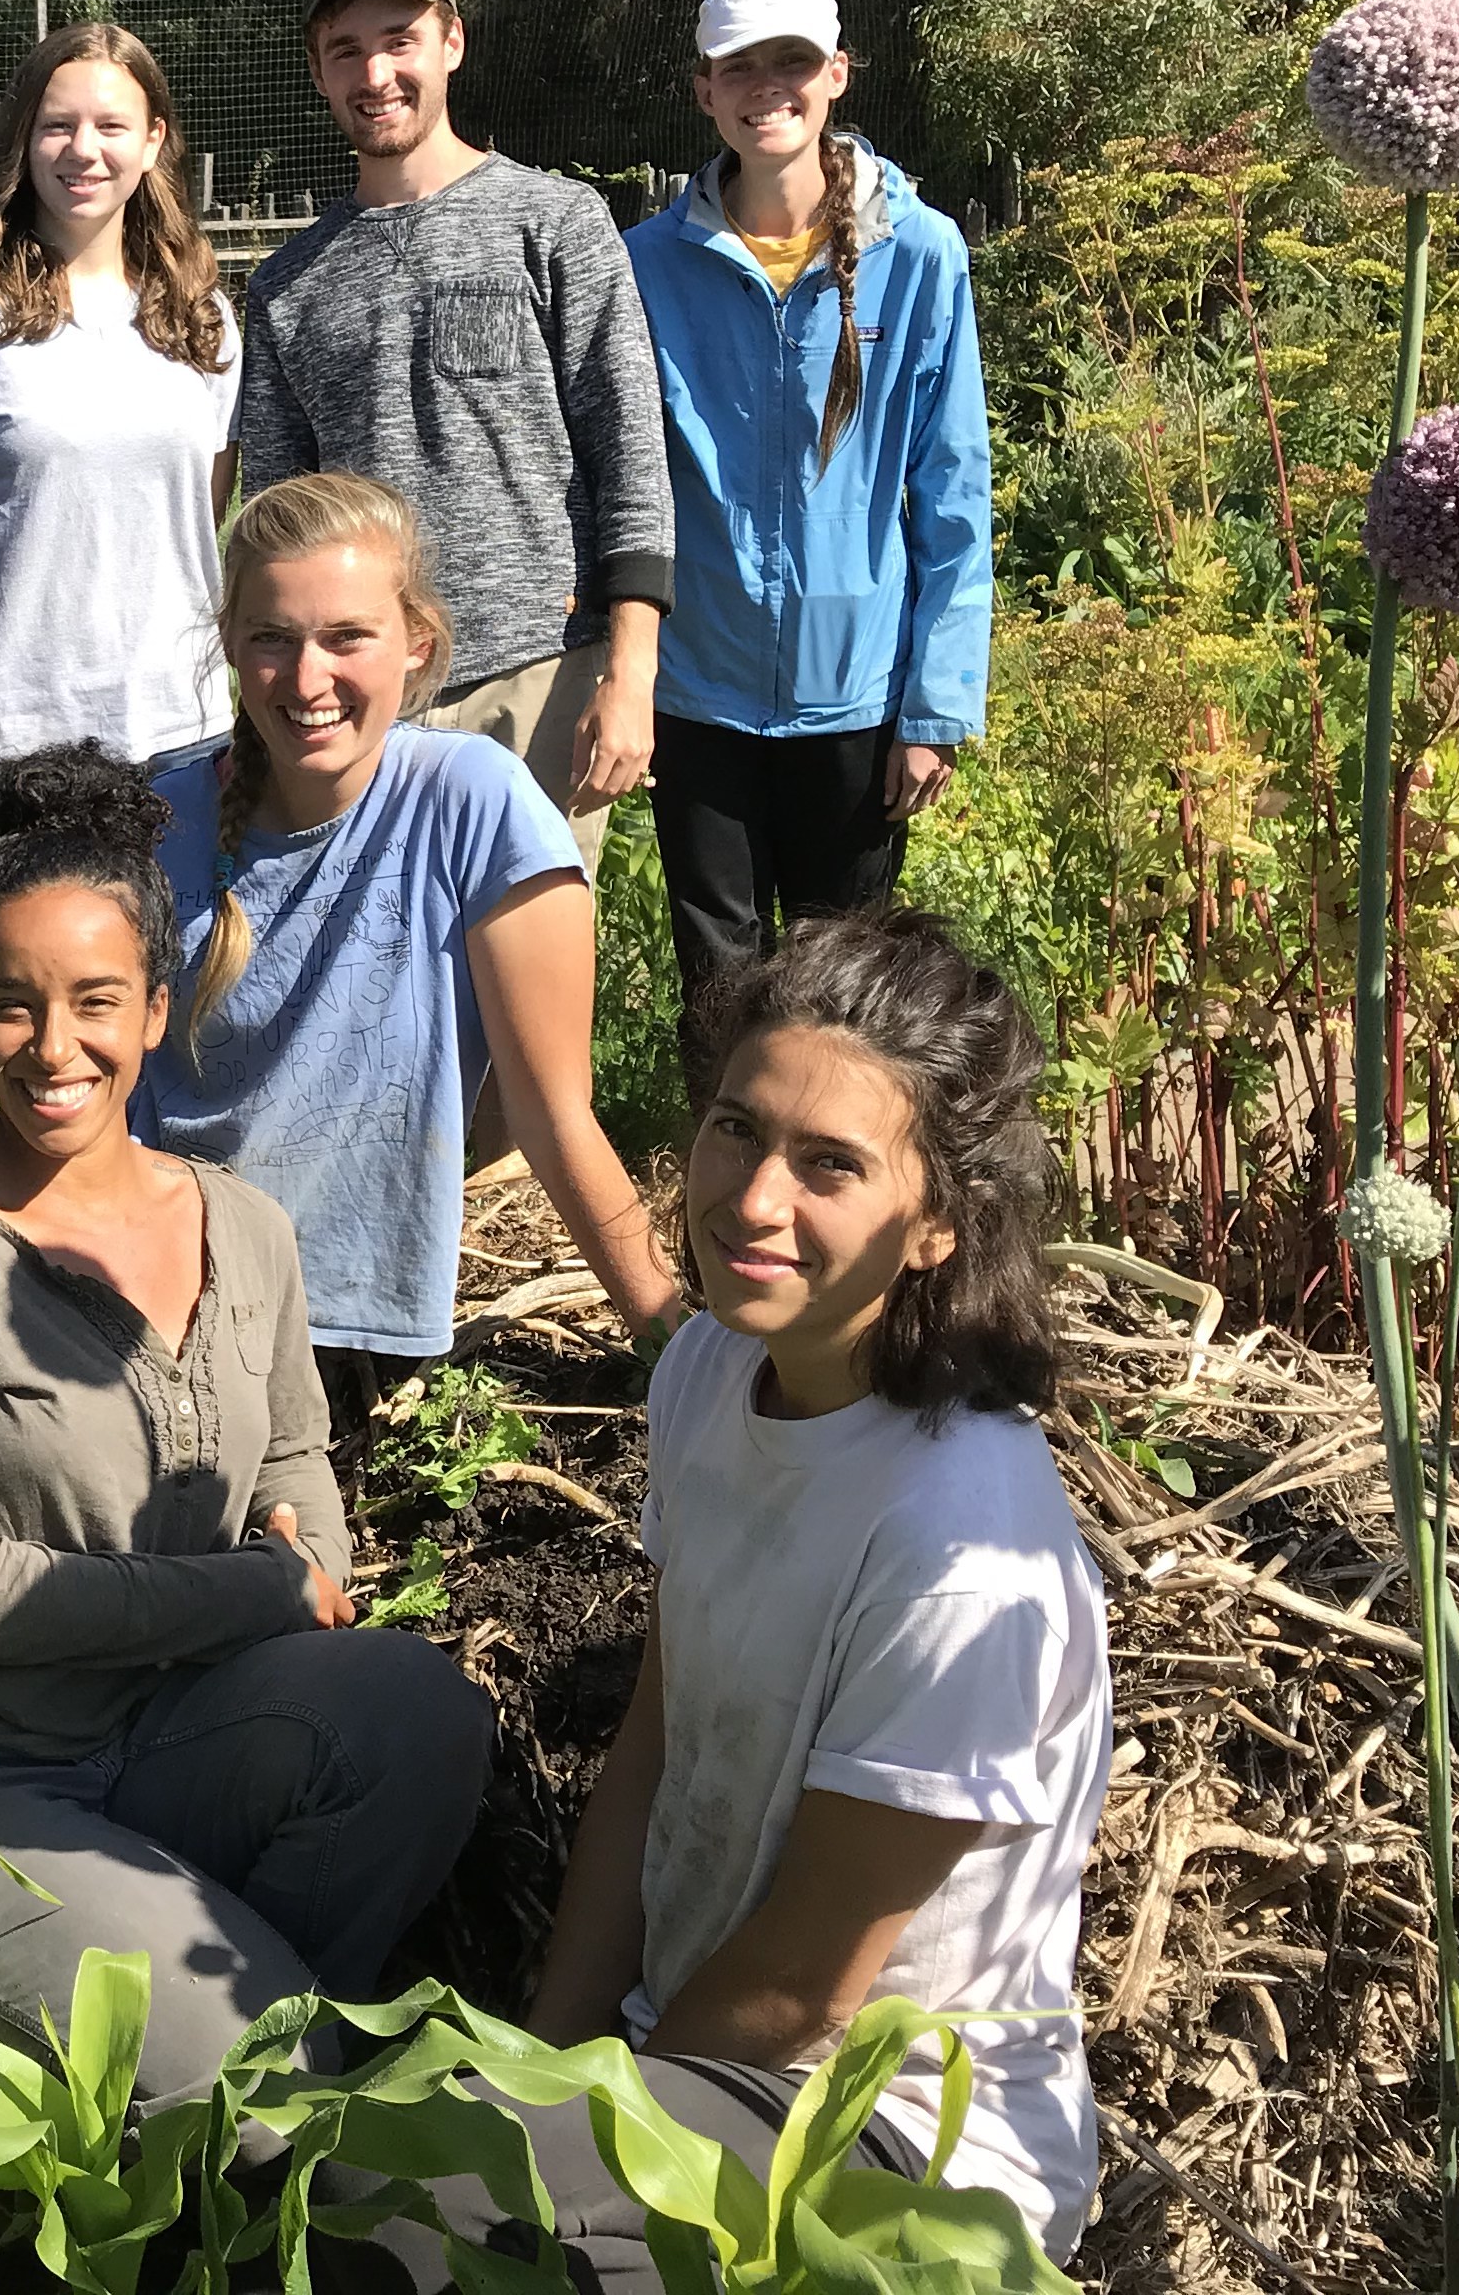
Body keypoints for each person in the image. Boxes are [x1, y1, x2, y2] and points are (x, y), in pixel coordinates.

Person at [0, 745, 493, 2113]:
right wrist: (252, 1589)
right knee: (272, 2066)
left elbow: (302, 1471)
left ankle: (204, 2096)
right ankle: (221, 2098)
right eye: (11, 1007)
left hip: (179, 1730)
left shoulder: (242, 1227)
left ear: (158, 1002)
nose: (51, 1048)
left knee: (421, 1718)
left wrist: (307, 1554)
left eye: (93, 1002)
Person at [516, 907, 1108, 2271]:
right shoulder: (709, 1372)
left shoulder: (960, 1549)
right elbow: (657, 1749)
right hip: (691, 2055)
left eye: (829, 1165)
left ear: (938, 1229)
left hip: (897, 2146)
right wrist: (542, 2067)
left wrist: (572, 2135)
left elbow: (805, 1983)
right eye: (738, 1128)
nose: (752, 1200)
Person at [145, 474, 679, 1419]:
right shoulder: (157, 818)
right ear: (230, 643)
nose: (308, 680)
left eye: (347, 637)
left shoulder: (469, 804)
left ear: (416, 644)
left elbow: (557, 1120)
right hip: (147, 1296)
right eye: (272, 638)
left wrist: (679, 1350)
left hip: (339, 1336)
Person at [237, 0, 673, 871]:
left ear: (452, 43)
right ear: (318, 72)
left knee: (527, 982)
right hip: (361, 694)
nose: (376, 72)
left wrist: (630, 666)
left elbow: (630, 449)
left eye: (399, 39)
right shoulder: (285, 287)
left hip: (540, 674)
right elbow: (277, 520)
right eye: (346, 50)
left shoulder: (556, 222)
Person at [623, 0, 993, 1008]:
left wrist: (937, 704)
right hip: (697, 689)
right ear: (704, 90)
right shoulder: (646, 264)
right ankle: (723, 1167)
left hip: (857, 693)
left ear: (836, 74)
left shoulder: (919, 254)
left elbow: (954, 487)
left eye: (792, 60)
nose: (767, 86)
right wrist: (624, 672)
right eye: (740, 65)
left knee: (846, 991)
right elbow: (618, 477)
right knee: (720, 984)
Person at [0, 22, 242, 790]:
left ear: (153, 139)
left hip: (179, 732)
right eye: (57, 125)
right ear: (25, 137)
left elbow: (207, 502)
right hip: (12, 736)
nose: (83, 149)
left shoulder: (203, 321)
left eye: (111, 126)